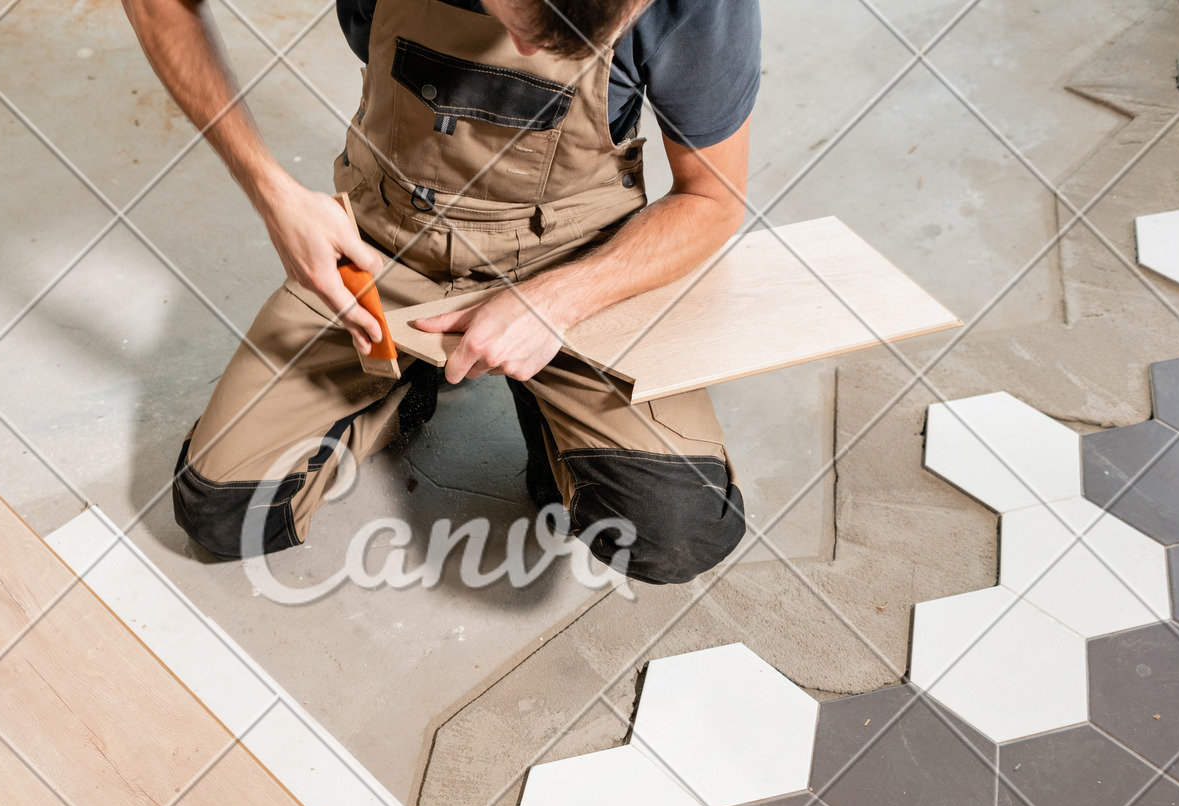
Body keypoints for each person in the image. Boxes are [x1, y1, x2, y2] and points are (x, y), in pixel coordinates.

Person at [123, 0, 758, 584]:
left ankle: (546, 412)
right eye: (521, 21)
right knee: (224, 511)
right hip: (384, 244)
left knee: (678, 530)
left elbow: (712, 199)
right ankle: (409, 382)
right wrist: (270, 191)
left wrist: (557, 301)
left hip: (576, 255)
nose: (526, 53)